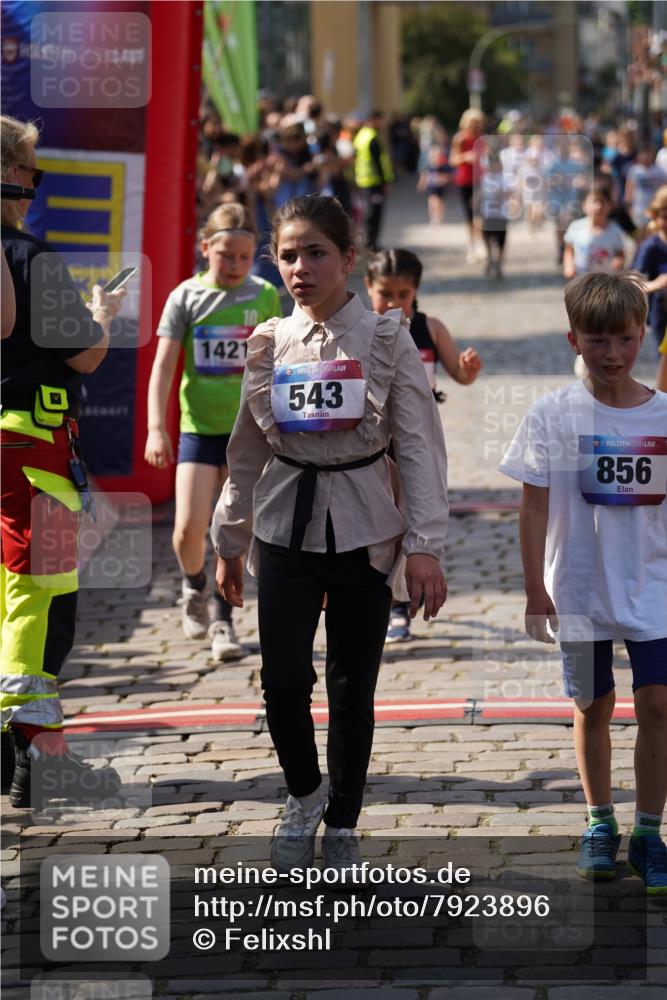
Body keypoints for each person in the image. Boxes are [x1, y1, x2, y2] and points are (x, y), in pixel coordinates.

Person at [211, 194, 448, 876]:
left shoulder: (386, 337)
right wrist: (228, 540)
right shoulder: (268, 342)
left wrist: (424, 546)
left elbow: (419, 446)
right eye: (288, 256)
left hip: (366, 529)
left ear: (348, 259)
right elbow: (245, 452)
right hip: (284, 525)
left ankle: (343, 819)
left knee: (351, 689)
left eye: (315, 253)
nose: (300, 268)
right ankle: (304, 793)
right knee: (282, 678)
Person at [500, 271, 667, 894]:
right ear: (574, 340)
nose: (612, 353)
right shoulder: (552, 414)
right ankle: (600, 821)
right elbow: (533, 506)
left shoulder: (663, 414)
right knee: (592, 704)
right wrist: (534, 588)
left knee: (658, 703)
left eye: (624, 338)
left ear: (643, 334)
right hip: (577, 587)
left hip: (653, 585)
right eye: (597, 340)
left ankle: (649, 832)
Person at [1, 114, 124, 807]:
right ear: (12, 177)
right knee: (42, 599)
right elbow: (86, 355)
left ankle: (18, 758)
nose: (34, 188)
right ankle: (44, 757)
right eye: (31, 173)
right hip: (31, 447)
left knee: (8, 597)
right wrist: (102, 314)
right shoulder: (30, 258)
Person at [145, 203, 281, 661]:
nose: (236, 265)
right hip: (199, 431)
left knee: (233, 528)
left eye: (245, 256)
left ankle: (224, 622)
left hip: (248, 433)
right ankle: (193, 585)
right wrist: (156, 428)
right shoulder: (185, 297)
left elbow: (278, 362)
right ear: (205, 248)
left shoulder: (264, 294)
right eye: (226, 255)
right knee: (188, 529)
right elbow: (164, 366)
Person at [365, 247, 481, 643]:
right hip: (374, 441)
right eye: (385, 294)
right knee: (377, 522)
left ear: (416, 290)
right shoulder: (364, 329)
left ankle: (399, 605)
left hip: (415, 441)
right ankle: (372, 598)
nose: (394, 303)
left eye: (403, 295)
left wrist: (467, 370)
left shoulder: (429, 328)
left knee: (408, 520)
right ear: (368, 287)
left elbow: (458, 373)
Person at [563, 183, 626, 281]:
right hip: (580, 279)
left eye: (602, 202)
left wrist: (618, 262)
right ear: (584, 205)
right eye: (594, 201)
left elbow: (620, 253)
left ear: (610, 206)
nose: (598, 206)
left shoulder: (614, 231)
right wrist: (569, 266)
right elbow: (569, 250)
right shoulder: (576, 227)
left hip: (605, 281)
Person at [632, 185, 667, 351]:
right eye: (665, 217)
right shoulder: (651, 246)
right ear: (655, 217)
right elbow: (632, 282)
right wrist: (656, 284)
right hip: (661, 311)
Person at [353, 110, 394, 251]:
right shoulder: (372, 137)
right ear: (374, 120)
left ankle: (370, 242)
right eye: (381, 120)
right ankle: (372, 243)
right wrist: (385, 182)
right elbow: (378, 162)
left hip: (363, 180)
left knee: (368, 213)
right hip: (374, 181)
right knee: (375, 214)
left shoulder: (361, 135)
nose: (383, 124)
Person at [450, 108, 485, 263]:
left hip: (479, 179)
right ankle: (471, 246)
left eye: (477, 123)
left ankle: (480, 243)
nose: (474, 126)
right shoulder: (460, 138)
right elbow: (453, 160)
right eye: (472, 122)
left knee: (480, 214)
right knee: (469, 215)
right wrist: (466, 157)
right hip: (464, 180)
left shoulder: (481, 139)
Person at [624, 145, 667, 231]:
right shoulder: (634, 170)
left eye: (648, 154)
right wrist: (629, 207)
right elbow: (629, 188)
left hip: (655, 207)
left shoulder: (659, 171)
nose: (646, 157)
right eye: (643, 154)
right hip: (639, 208)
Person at [416, 141, 452, 225]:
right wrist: (421, 184)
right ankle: (433, 217)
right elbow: (423, 176)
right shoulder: (428, 166)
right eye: (431, 155)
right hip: (431, 187)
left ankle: (439, 216)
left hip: (440, 187)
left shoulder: (442, 166)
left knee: (439, 202)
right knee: (432, 201)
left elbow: (449, 176)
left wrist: (443, 179)